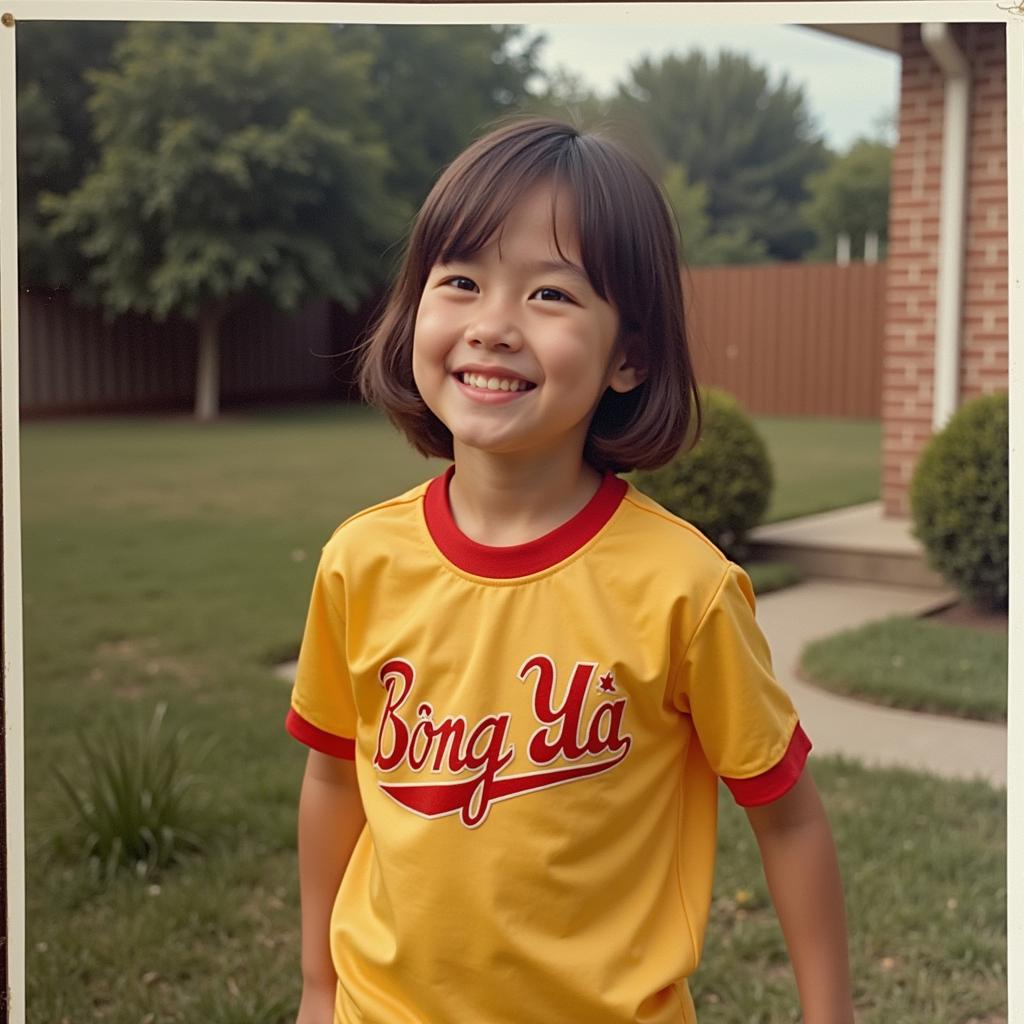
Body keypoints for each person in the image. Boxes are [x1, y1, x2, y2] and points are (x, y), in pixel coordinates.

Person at [287, 116, 853, 1024]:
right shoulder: (361, 560)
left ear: (628, 353)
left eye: (550, 295)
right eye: (461, 282)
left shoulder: (685, 590)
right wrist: (320, 987)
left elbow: (786, 815)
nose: (493, 327)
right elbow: (331, 777)